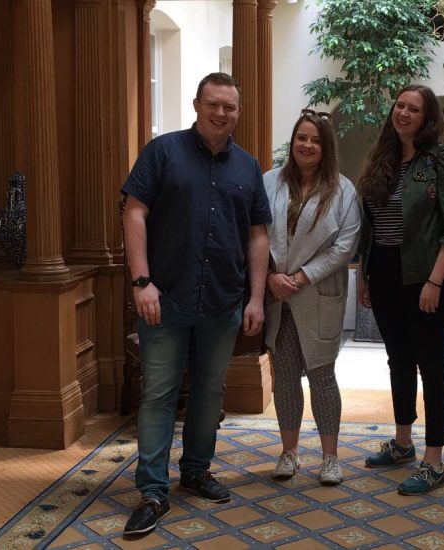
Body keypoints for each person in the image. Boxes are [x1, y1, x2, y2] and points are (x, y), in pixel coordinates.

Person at [121, 72, 271, 536]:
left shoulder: (247, 167)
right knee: (159, 394)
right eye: (213, 104)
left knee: (210, 392)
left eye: (229, 106)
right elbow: (134, 212)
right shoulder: (162, 152)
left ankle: (196, 471)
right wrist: (141, 281)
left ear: (238, 112)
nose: (220, 112)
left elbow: (258, 235)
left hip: (224, 301)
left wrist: (257, 298)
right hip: (163, 300)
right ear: (196, 104)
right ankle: (151, 490)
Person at [356, 84, 444, 495]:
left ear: (427, 118)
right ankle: (403, 442)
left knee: (432, 366)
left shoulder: (442, 160)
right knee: (398, 360)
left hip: (426, 275)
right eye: (399, 105)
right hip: (384, 270)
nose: (403, 113)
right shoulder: (383, 159)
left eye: (413, 109)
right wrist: (363, 273)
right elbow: (370, 226)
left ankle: (434, 461)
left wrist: (436, 281)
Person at [264, 109, 361, 486]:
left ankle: (330, 458)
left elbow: (345, 246)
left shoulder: (343, 190)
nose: (307, 145)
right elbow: (256, 234)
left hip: (317, 292)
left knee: (322, 375)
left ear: (326, 147)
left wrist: (301, 276)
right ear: (292, 143)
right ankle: (289, 452)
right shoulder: (270, 182)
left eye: (315, 140)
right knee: (284, 377)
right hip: (278, 296)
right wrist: (271, 278)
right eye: (301, 138)